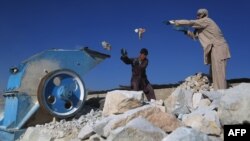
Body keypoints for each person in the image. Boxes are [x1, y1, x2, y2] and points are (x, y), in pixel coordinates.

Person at [168, 8, 231, 90]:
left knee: (219, 74)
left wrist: (175, 22)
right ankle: (218, 93)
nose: (197, 16)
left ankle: (222, 95)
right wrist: (185, 31)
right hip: (214, 49)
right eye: (197, 14)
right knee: (214, 74)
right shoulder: (201, 27)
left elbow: (191, 22)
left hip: (219, 47)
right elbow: (194, 36)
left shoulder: (207, 21)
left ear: (204, 15)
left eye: (199, 14)